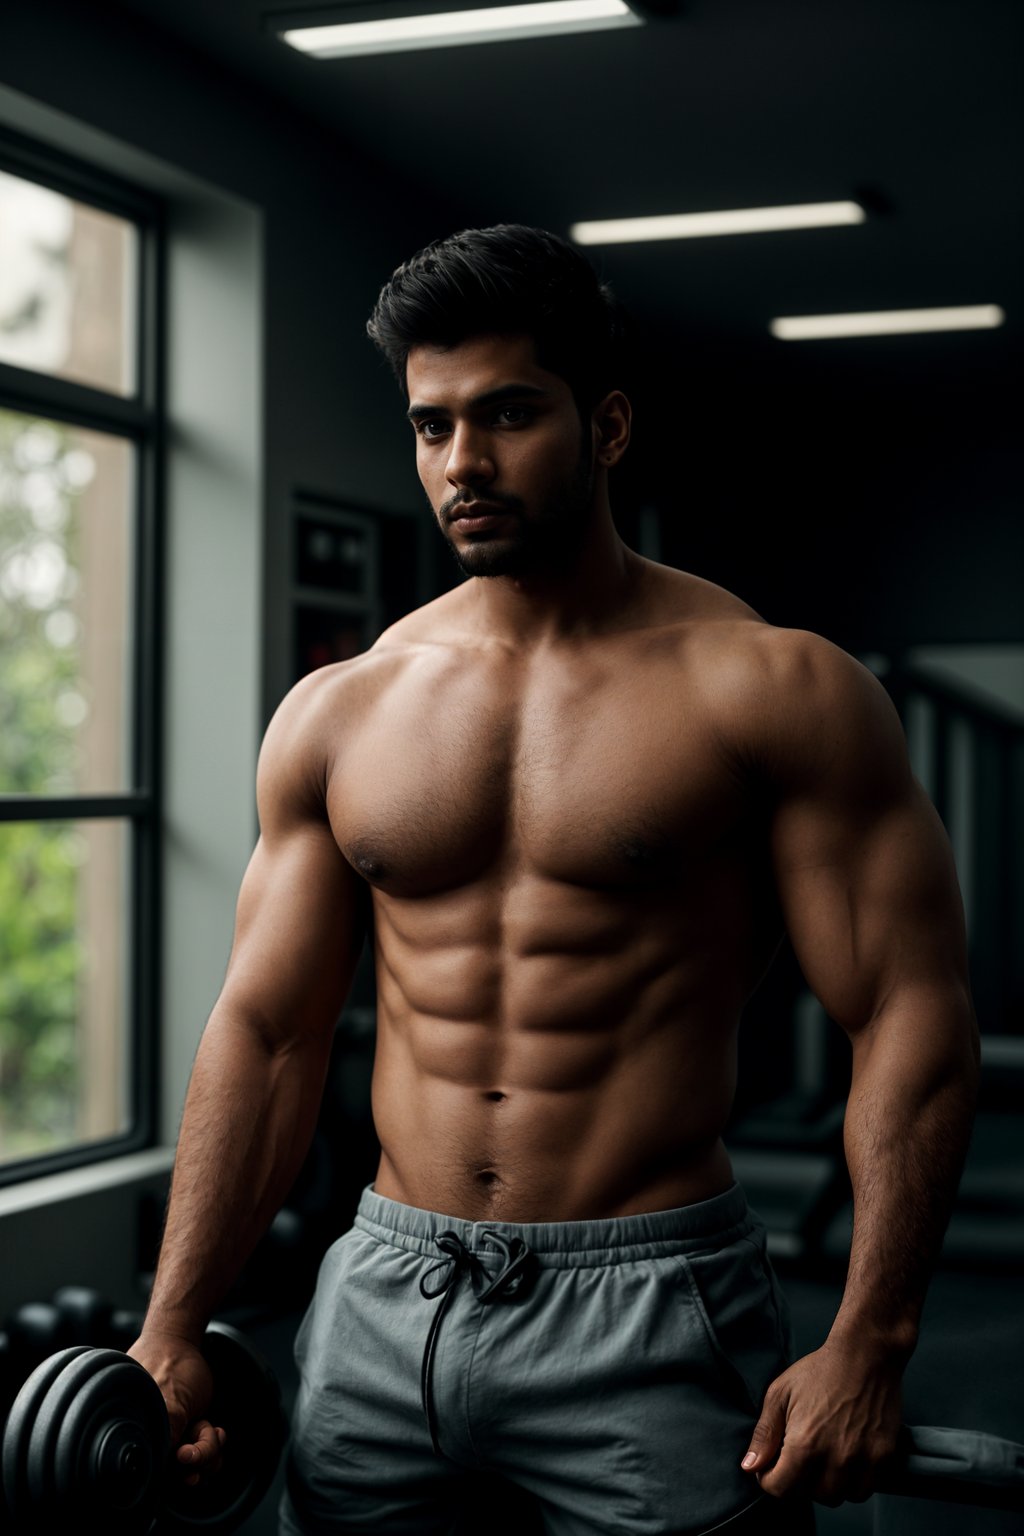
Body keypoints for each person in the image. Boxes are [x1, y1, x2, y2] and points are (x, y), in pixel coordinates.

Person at [129, 225, 979, 1535]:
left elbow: (907, 1015)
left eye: (509, 415)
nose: (461, 463)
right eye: (430, 427)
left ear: (610, 425)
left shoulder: (775, 690)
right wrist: (173, 1319)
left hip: (650, 1302)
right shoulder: (339, 714)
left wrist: (874, 1335)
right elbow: (267, 1031)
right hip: (380, 1300)